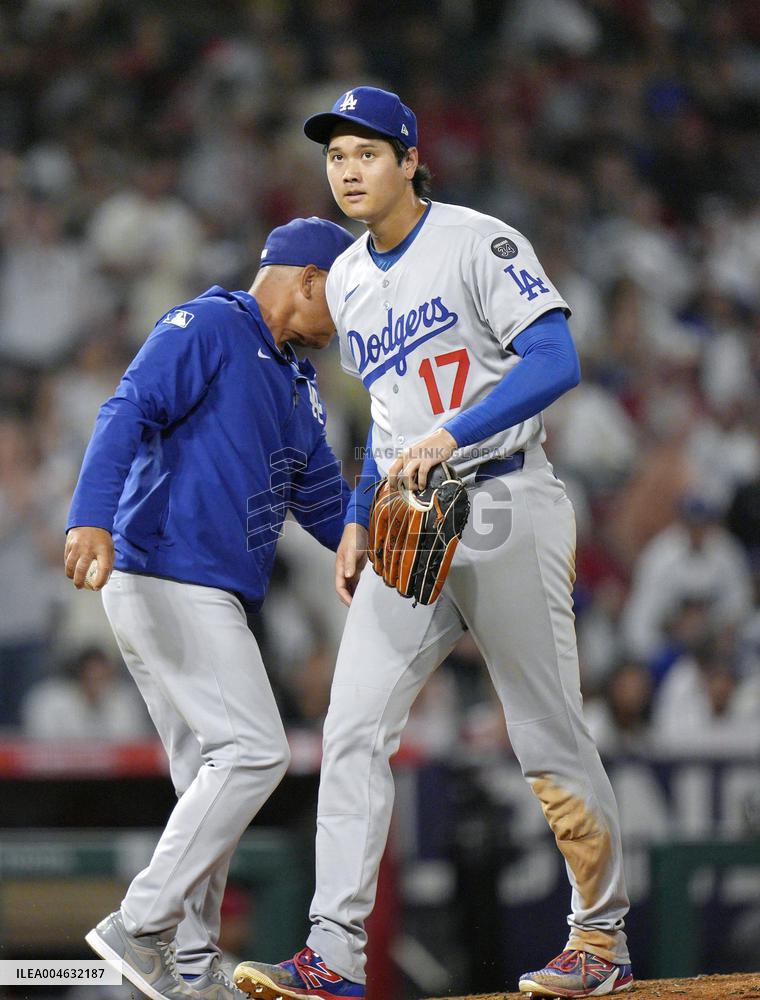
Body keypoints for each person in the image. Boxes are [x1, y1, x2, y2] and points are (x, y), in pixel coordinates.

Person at [234, 88, 633, 999]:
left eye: (367, 152)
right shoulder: (344, 282)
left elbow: (554, 359)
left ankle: (600, 939)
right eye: (335, 155)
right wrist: (356, 518)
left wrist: (452, 436)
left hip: (505, 499)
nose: (347, 169)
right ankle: (333, 953)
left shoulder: (477, 239)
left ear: (411, 160)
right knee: (351, 728)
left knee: (547, 733)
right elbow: (387, 422)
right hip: (410, 520)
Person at [65, 217, 355, 1000]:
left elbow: (325, 499)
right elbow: (126, 408)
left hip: (201, 587)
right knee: (258, 752)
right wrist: (89, 514)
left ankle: (189, 966)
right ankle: (141, 921)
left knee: (208, 772)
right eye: (346, 296)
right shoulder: (211, 323)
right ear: (307, 279)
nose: (349, 318)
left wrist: (382, 544)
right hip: (167, 571)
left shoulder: (297, 381)